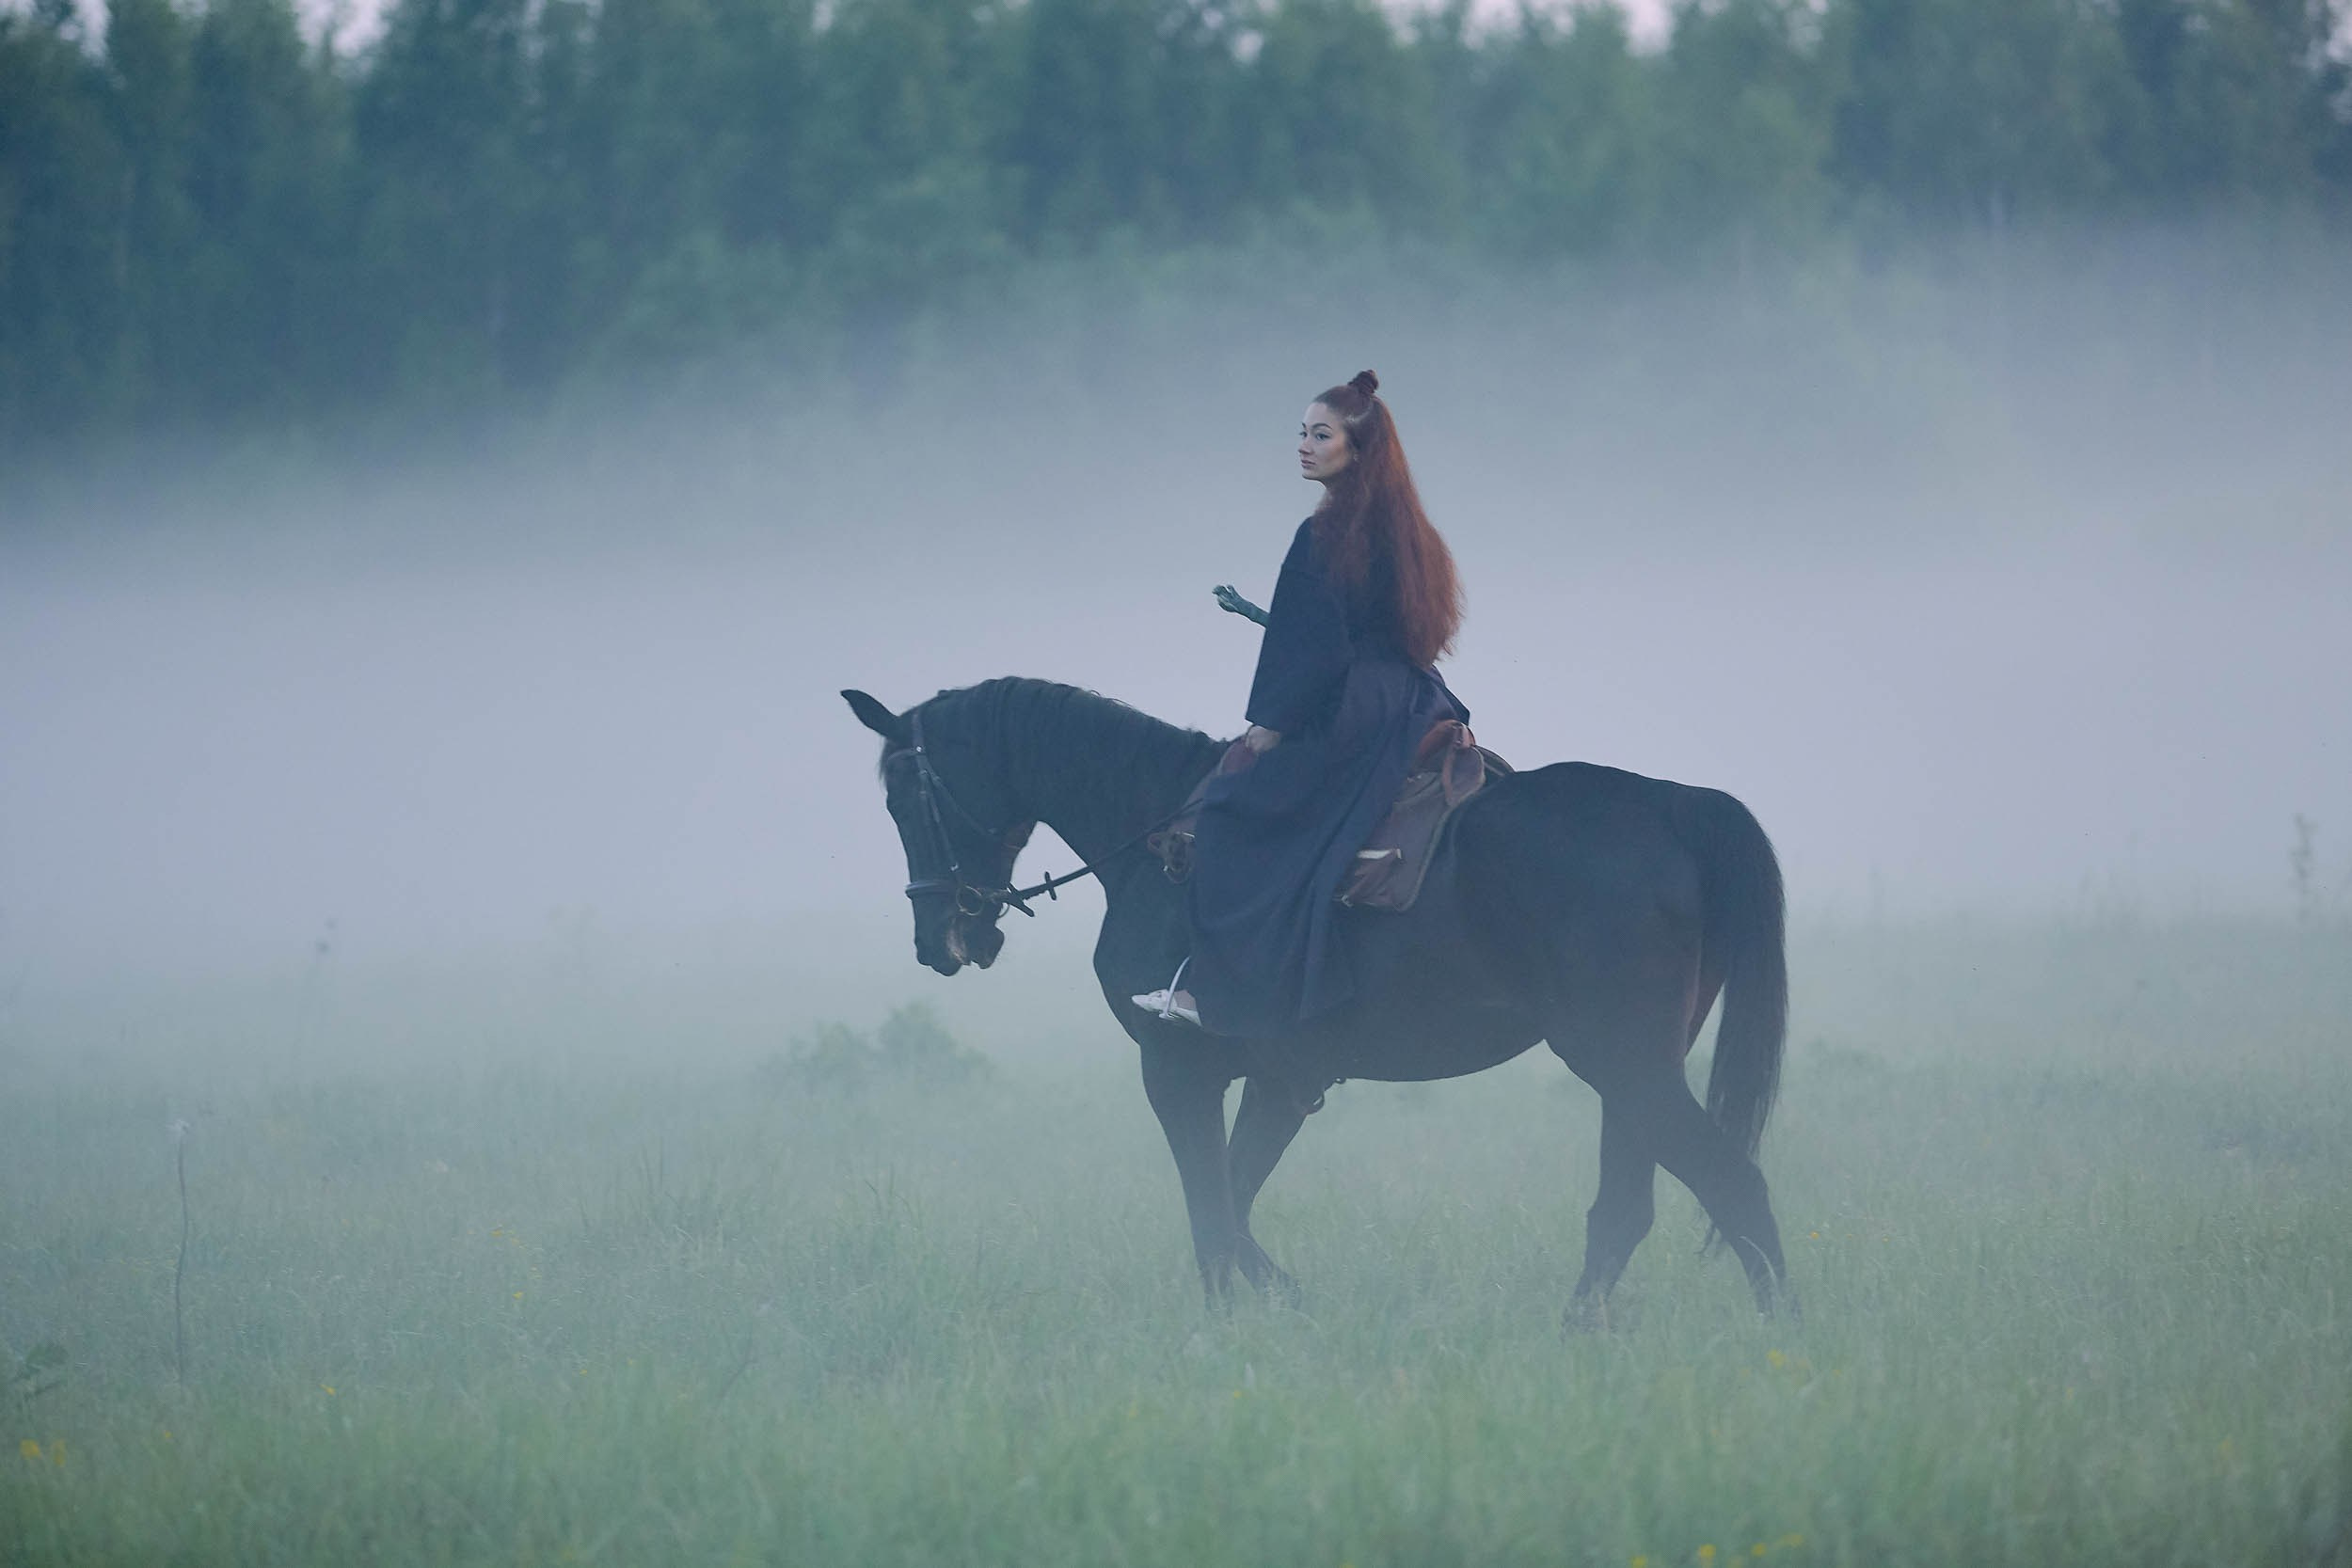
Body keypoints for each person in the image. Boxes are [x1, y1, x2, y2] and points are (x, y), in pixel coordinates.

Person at [1135, 370, 1468, 1034]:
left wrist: (1273, 724)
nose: (1304, 446)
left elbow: (1315, 650)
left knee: (1230, 813)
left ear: (1357, 449)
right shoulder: (1409, 530)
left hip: (1353, 706)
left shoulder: (1323, 535)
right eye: (1303, 433)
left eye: (1321, 435)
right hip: (1412, 699)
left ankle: (1216, 992)